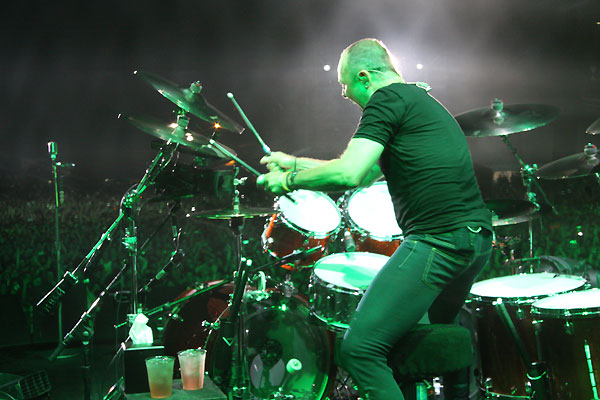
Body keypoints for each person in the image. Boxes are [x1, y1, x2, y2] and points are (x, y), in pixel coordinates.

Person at [256, 38, 492, 399]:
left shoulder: (386, 99)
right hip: (474, 240)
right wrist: (296, 162)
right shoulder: (419, 102)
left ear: (365, 77)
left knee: (359, 350)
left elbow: (348, 173)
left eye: (345, 84)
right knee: (417, 343)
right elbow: (365, 174)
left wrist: (288, 180)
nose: (344, 93)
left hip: (438, 241)